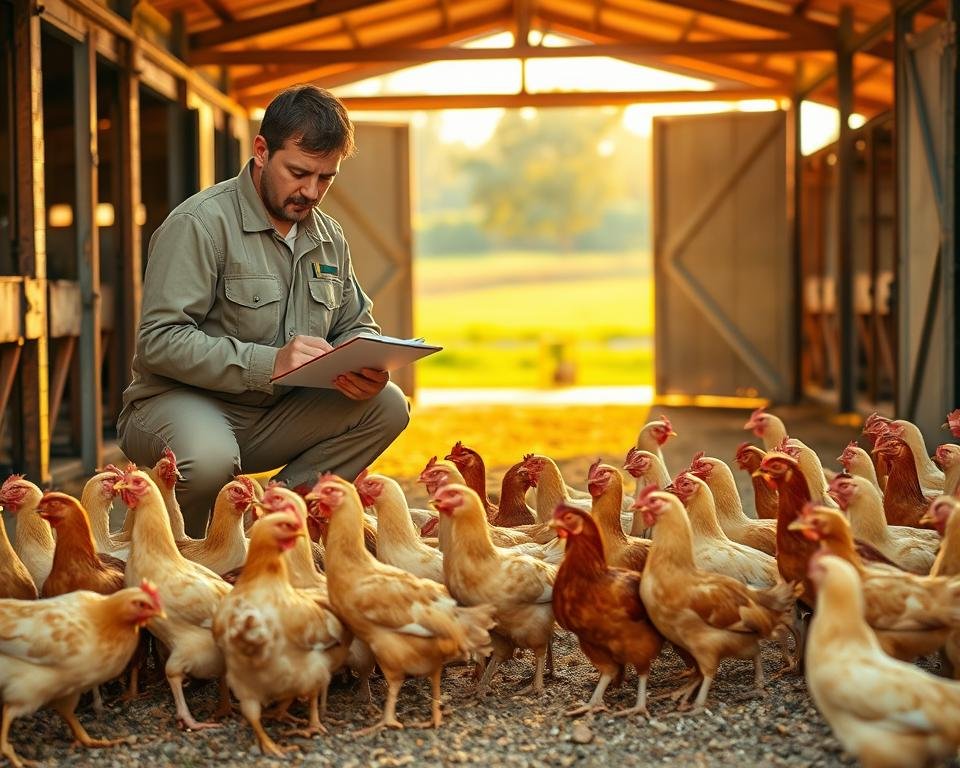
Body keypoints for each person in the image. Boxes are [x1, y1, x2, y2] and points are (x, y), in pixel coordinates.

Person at [117, 85, 410, 537]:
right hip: (180, 407)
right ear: (260, 151)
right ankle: (188, 550)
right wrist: (269, 363)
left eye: (326, 178)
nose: (311, 191)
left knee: (387, 406)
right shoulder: (199, 225)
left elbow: (355, 322)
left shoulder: (329, 237)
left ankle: (271, 521)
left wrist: (367, 362)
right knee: (208, 457)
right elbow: (157, 341)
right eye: (298, 172)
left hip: (272, 416)